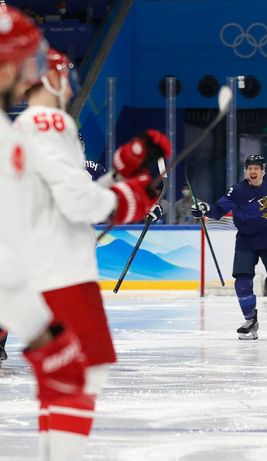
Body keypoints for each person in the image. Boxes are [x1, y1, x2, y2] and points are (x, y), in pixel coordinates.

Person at [13, 44, 165, 458]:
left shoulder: (30, 127)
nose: (69, 87)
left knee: (68, 376)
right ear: (49, 78)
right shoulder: (49, 121)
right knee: (83, 373)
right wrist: (129, 198)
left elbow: (65, 196)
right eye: (64, 77)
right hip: (61, 267)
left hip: (43, 264)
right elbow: (78, 204)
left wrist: (119, 174)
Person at [191, 154, 267, 339]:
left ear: (263, 171)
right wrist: (204, 208)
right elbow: (218, 210)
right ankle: (250, 320)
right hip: (246, 242)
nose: (253, 171)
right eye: (249, 168)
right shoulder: (237, 190)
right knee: (242, 283)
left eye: (256, 168)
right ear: (246, 171)